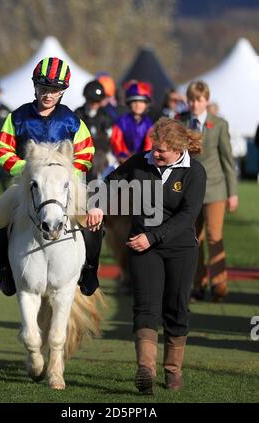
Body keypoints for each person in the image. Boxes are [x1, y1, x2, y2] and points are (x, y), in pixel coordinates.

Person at [0, 57, 104, 297]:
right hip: (27, 186)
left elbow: (87, 151)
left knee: (92, 221)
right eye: (43, 88)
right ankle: (5, 270)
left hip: (64, 188)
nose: (48, 94)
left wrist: (67, 174)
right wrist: (25, 170)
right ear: (35, 86)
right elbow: (3, 149)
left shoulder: (71, 120)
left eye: (55, 90)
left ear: (62, 92)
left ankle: (90, 269)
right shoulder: (17, 117)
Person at [103, 117, 206, 394]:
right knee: (145, 306)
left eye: (161, 150)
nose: (155, 154)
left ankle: (173, 371)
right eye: (153, 148)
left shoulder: (194, 172)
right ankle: (145, 370)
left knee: (176, 308)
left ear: (178, 148)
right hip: (142, 248)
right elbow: (111, 182)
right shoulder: (140, 162)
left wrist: (153, 236)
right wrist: (96, 205)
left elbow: (187, 217)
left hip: (180, 249)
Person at [177, 80, 238, 302]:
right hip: (189, 191)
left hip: (215, 190)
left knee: (214, 236)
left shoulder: (219, 124)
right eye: (191, 100)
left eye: (199, 100)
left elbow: (228, 161)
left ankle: (219, 284)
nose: (194, 104)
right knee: (194, 239)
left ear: (206, 101)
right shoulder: (181, 122)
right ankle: (197, 285)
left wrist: (232, 193)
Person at [74, 80, 113, 180]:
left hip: (101, 154)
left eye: (97, 101)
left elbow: (109, 138)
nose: (94, 104)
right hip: (81, 153)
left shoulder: (105, 116)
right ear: (86, 99)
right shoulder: (77, 114)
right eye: (92, 101)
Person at [110, 81, 153, 165]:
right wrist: (123, 155)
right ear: (129, 103)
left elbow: (149, 144)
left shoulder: (149, 124)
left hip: (143, 162)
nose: (138, 105)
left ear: (146, 104)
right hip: (122, 161)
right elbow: (116, 141)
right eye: (134, 102)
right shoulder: (121, 122)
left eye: (141, 102)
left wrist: (143, 158)